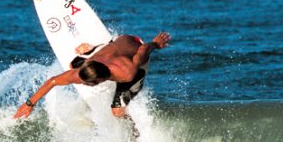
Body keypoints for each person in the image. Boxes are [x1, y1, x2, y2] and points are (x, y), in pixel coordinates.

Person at [13, 32, 171, 119]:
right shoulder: (88, 68)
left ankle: (135, 133)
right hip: (118, 40)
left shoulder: (127, 72)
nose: (84, 84)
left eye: (89, 84)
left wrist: (156, 43)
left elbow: (143, 50)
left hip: (136, 46)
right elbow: (53, 81)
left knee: (117, 112)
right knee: (73, 65)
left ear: (102, 80)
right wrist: (29, 103)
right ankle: (92, 49)